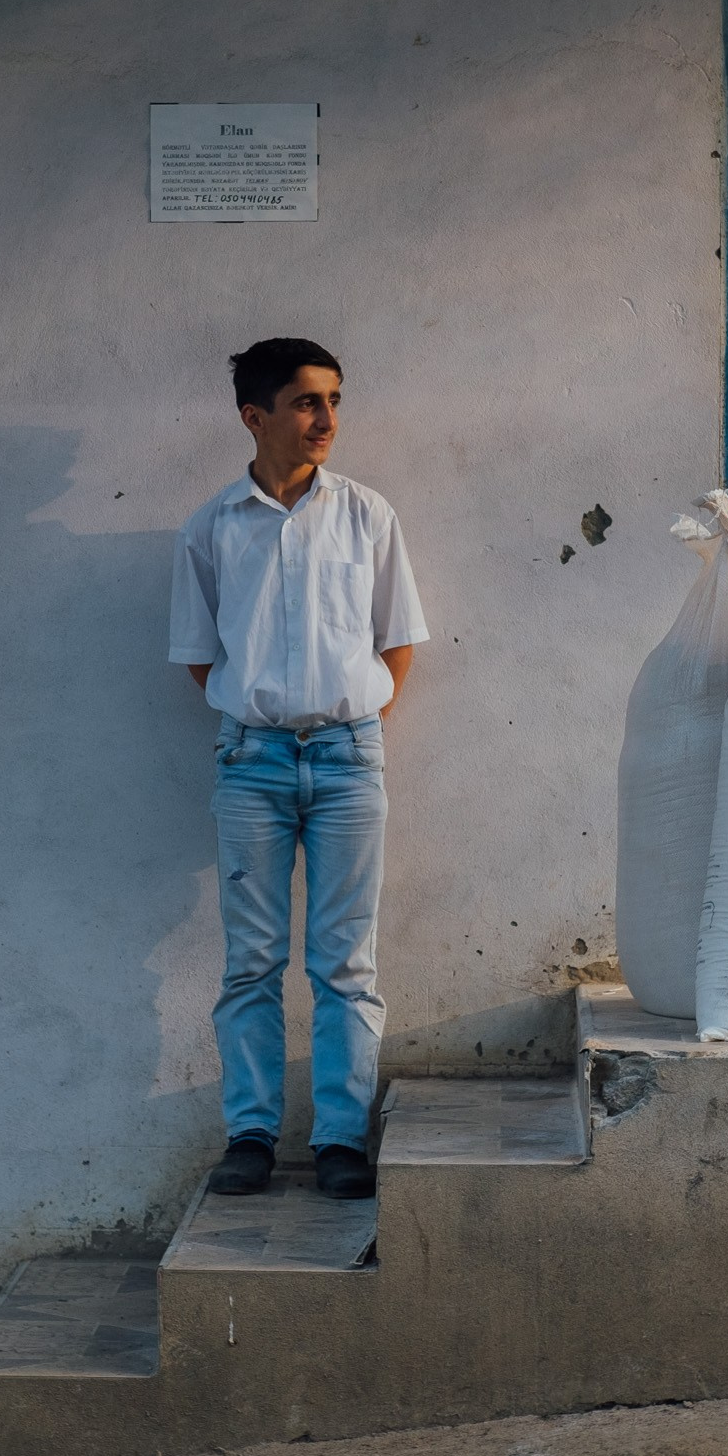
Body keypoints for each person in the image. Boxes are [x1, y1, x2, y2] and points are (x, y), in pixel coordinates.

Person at [169, 338, 427, 1199]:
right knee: (251, 959)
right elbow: (203, 658)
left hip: (351, 760)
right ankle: (250, 1135)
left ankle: (341, 1141)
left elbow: (397, 640)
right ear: (256, 416)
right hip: (252, 762)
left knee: (345, 961)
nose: (328, 420)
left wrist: (348, 719)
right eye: (309, 402)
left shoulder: (367, 514)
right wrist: (269, 715)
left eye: (335, 400)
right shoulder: (211, 528)